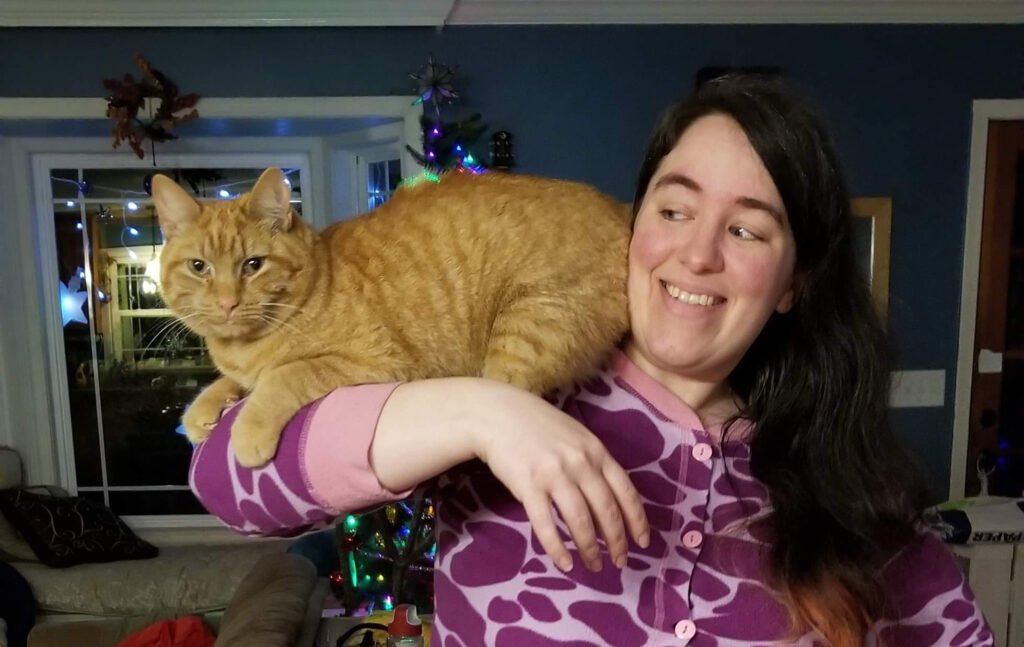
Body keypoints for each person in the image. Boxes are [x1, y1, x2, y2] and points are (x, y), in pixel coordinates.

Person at [189, 75, 993, 646]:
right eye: (673, 209)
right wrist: (479, 408)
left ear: (793, 282)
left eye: (748, 229)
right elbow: (232, 485)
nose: (696, 253)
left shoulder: (847, 473)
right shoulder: (510, 394)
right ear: (633, 224)